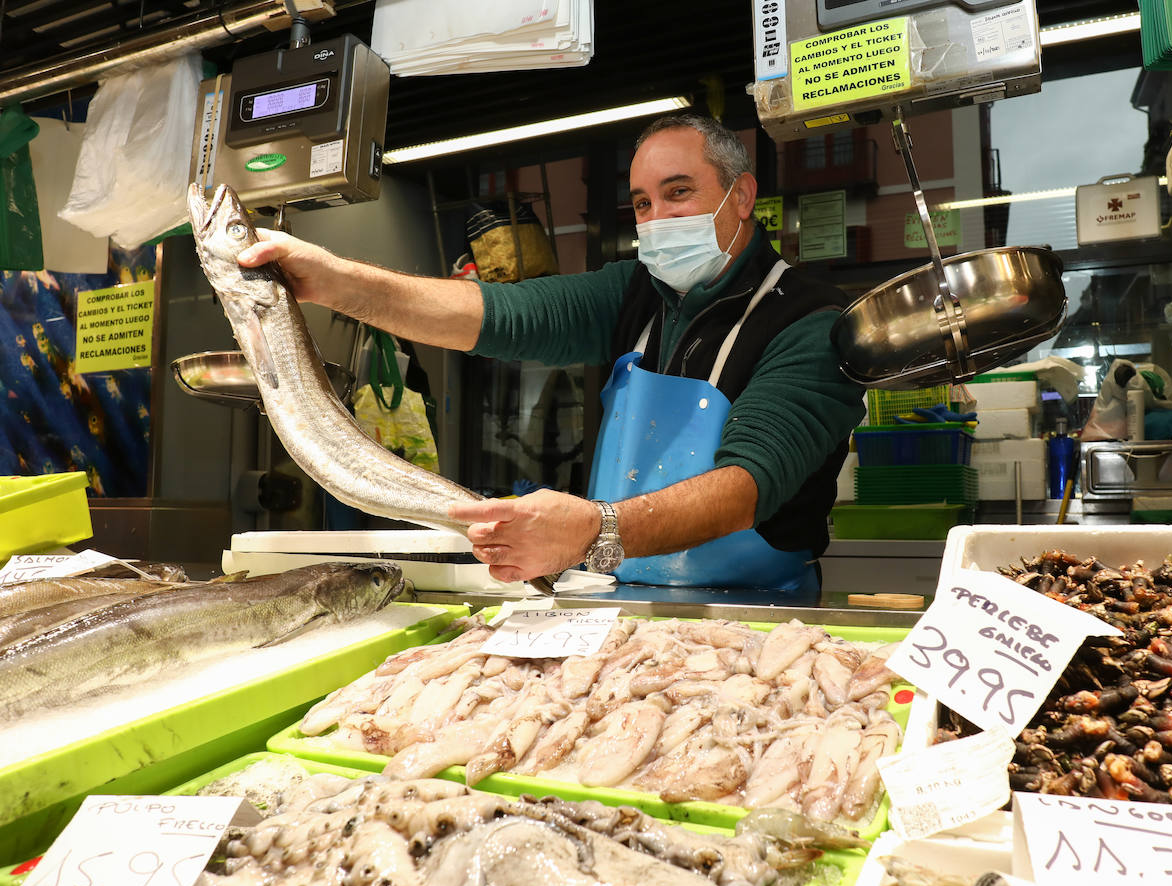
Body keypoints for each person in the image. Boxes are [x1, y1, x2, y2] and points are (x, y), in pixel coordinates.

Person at [238, 112, 865, 590]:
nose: (656, 219)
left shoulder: (809, 321)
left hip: (761, 610)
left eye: (679, 193)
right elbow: (499, 316)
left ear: (743, 196)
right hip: (621, 591)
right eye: (643, 203)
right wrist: (335, 282)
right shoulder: (635, 293)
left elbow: (746, 485)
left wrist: (595, 530)